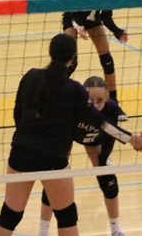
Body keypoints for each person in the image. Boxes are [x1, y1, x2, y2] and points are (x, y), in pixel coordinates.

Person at [0, 34, 142, 236]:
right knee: (66, 216)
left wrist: (28, 138)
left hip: (21, 152)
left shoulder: (30, 76)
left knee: (9, 216)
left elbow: (18, 115)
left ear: (50, 53)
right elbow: (100, 123)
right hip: (53, 157)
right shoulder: (74, 89)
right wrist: (133, 139)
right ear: (72, 59)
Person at [38, 76, 127, 236]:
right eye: (91, 100)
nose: (95, 105)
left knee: (107, 178)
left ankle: (116, 229)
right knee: (55, 179)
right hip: (69, 136)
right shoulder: (73, 107)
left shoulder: (112, 109)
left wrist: (103, 160)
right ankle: (43, 231)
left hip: (95, 141)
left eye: (100, 100)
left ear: (107, 97)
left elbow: (111, 137)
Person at [62, 0, 129, 119]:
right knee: (71, 62)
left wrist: (117, 31)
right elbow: (74, 12)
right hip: (73, 20)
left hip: (93, 21)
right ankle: (56, 96)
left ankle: (114, 103)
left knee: (107, 61)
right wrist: (78, 27)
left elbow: (106, 15)